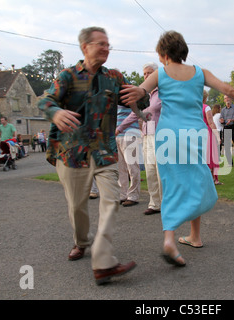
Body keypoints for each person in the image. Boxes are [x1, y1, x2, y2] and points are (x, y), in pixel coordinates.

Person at [120, 30, 234, 267]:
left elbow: (140, 93)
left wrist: (137, 103)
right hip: (195, 135)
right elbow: (229, 90)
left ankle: (171, 238)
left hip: (168, 135)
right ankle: (195, 236)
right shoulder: (200, 73)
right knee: (196, 181)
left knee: (172, 183)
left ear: (164, 53)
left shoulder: (161, 73)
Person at [38, 26, 149, 285]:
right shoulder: (67, 76)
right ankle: (81, 242)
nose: (106, 48)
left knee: (111, 203)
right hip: (73, 153)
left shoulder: (114, 77)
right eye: (100, 44)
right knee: (77, 207)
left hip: (104, 151)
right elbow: (44, 100)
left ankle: (102, 263)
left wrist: (140, 94)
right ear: (85, 47)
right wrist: (54, 112)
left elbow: (134, 102)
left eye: (108, 44)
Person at [116, 62, 162, 215]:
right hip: (147, 135)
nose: (147, 76)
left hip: (162, 135)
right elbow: (135, 113)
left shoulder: (164, 92)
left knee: (161, 171)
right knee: (149, 171)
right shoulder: (145, 95)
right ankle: (155, 204)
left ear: (156, 74)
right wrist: (119, 128)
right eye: (145, 74)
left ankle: (166, 204)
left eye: (150, 73)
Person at [115, 103, 142, 207]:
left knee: (132, 166)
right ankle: (122, 194)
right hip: (117, 134)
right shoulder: (115, 94)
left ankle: (133, 196)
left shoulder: (129, 92)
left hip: (130, 133)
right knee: (120, 167)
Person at [202, 90, 221, 185]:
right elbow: (211, 122)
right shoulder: (206, 107)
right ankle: (215, 179)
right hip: (207, 133)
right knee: (212, 155)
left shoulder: (193, 108)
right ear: (205, 98)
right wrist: (217, 136)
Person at [220, 95, 234, 168]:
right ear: (224, 100)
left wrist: (231, 120)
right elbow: (221, 119)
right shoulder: (223, 110)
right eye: (225, 98)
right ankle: (229, 163)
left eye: (228, 98)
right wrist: (221, 121)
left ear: (231, 99)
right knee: (227, 146)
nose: (227, 99)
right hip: (226, 127)